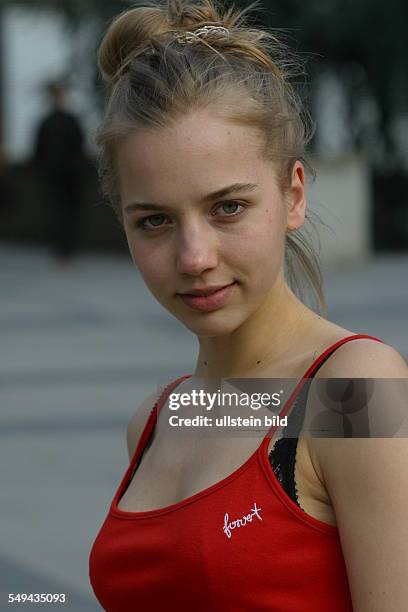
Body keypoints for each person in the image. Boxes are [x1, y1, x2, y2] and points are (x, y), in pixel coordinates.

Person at [88, 1, 408, 610]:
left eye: (227, 208)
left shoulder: (355, 388)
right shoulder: (158, 418)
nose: (194, 256)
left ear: (292, 196)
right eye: (154, 220)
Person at [34, 80, 85, 260]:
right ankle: (65, 247)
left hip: (62, 175)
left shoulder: (49, 122)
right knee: (63, 210)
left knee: (61, 210)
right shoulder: (64, 121)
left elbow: (38, 152)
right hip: (64, 175)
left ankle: (64, 246)